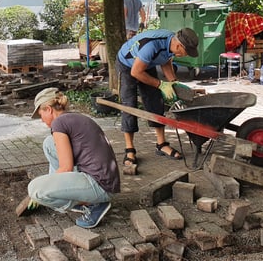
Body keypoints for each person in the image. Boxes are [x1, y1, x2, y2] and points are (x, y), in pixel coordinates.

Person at [27, 88, 120, 229]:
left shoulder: (58, 124)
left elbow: (66, 167)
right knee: (49, 143)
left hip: (100, 186)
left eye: (41, 115)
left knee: (35, 189)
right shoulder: (73, 118)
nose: (42, 120)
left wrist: (42, 192)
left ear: (48, 109)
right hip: (106, 181)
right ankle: (87, 198)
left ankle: (92, 204)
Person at [115, 27, 199, 169]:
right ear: (179, 46)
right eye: (186, 52)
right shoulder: (152, 46)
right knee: (129, 106)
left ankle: (161, 144)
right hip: (127, 65)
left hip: (146, 63)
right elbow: (136, 72)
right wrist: (160, 84)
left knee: (155, 101)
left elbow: (165, 61)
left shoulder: (171, 44)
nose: (186, 55)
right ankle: (130, 150)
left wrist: (173, 83)